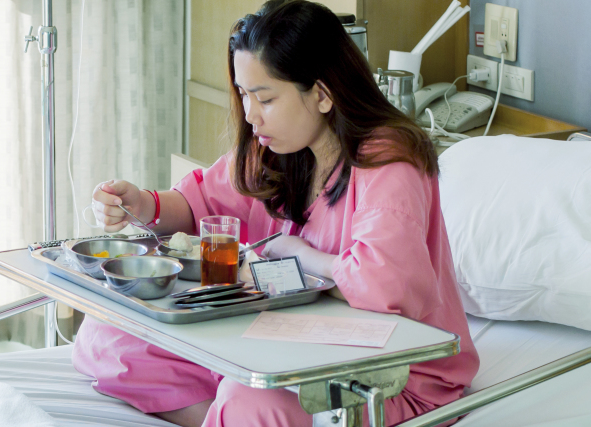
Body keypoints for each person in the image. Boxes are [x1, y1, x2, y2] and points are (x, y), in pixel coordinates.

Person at [70, 1, 478, 426]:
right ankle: (221, 416)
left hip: (387, 372)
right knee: (107, 337)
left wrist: (299, 256)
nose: (250, 114)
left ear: (322, 94)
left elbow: (385, 285)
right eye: (244, 94)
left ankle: (236, 413)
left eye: (265, 97)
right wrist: (144, 203)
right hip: (279, 344)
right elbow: (201, 201)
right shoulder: (279, 146)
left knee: (250, 402)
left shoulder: (387, 160)